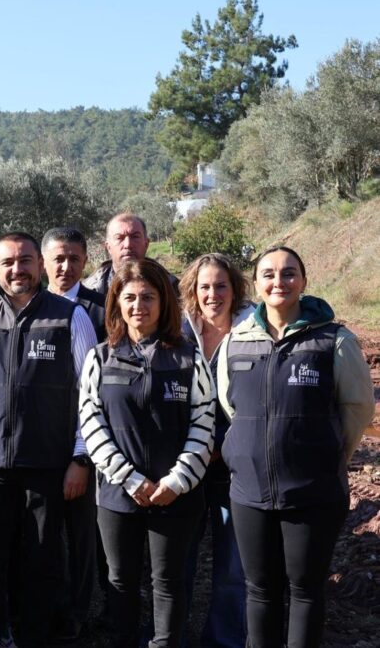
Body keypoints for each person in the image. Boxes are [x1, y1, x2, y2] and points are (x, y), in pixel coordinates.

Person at [216, 246, 373, 648]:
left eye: (289, 274)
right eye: (268, 274)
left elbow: (356, 409)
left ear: (303, 281)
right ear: (256, 283)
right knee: (260, 589)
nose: (278, 282)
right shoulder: (237, 340)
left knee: (305, 589)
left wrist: (325, 455)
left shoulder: (332, 341)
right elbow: (231, 406)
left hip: (312, 492)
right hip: (250, 494)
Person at [0, 232, 97, 648]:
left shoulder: (69, 318)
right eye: (9, 262)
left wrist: (80, 457)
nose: (18, 269)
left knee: (42, 560)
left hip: (48, 464)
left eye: (26, 260)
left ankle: (35, 638)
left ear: (40, 264)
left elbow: (89, 393)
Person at [78, 259, 215, 648]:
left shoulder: (189, 357)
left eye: (149, 297)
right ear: (117, 303)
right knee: (120, 580)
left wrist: (177, 480)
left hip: (177, 495)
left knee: (168, 581)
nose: (139, 305)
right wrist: (130, 478)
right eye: (130, 297)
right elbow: (91, 424)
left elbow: (204, 422)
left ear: (164, 303)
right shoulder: (100, 357)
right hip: (119, 495)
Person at [178, 253, 254, 647]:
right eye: (204, 286)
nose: (212, 294)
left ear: (235, 288)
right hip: (185, 465)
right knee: (178, 558)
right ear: (193, 290)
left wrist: (223, 448)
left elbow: (261, 401)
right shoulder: (177, 331)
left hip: (235, 467)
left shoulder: (254, 332)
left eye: (221, 285)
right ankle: (168, 634)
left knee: (231, 564)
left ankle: (222, 639)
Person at [40, 226, 105, 642]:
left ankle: (78, 615)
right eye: (58, 258)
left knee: (82, 537)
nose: (65, 267)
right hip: (36, 447)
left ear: (86, 262)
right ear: (44, 260)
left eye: (74, 259)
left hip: (86, 443)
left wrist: (85, 453)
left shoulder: (101, 308)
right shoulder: (18, 306)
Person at [84, 212, 179, 295]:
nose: (128, 244)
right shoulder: (88, 291)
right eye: (119, 238)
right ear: (108, 247)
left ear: (146, 244)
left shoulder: (172, 288)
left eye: (135, 237)